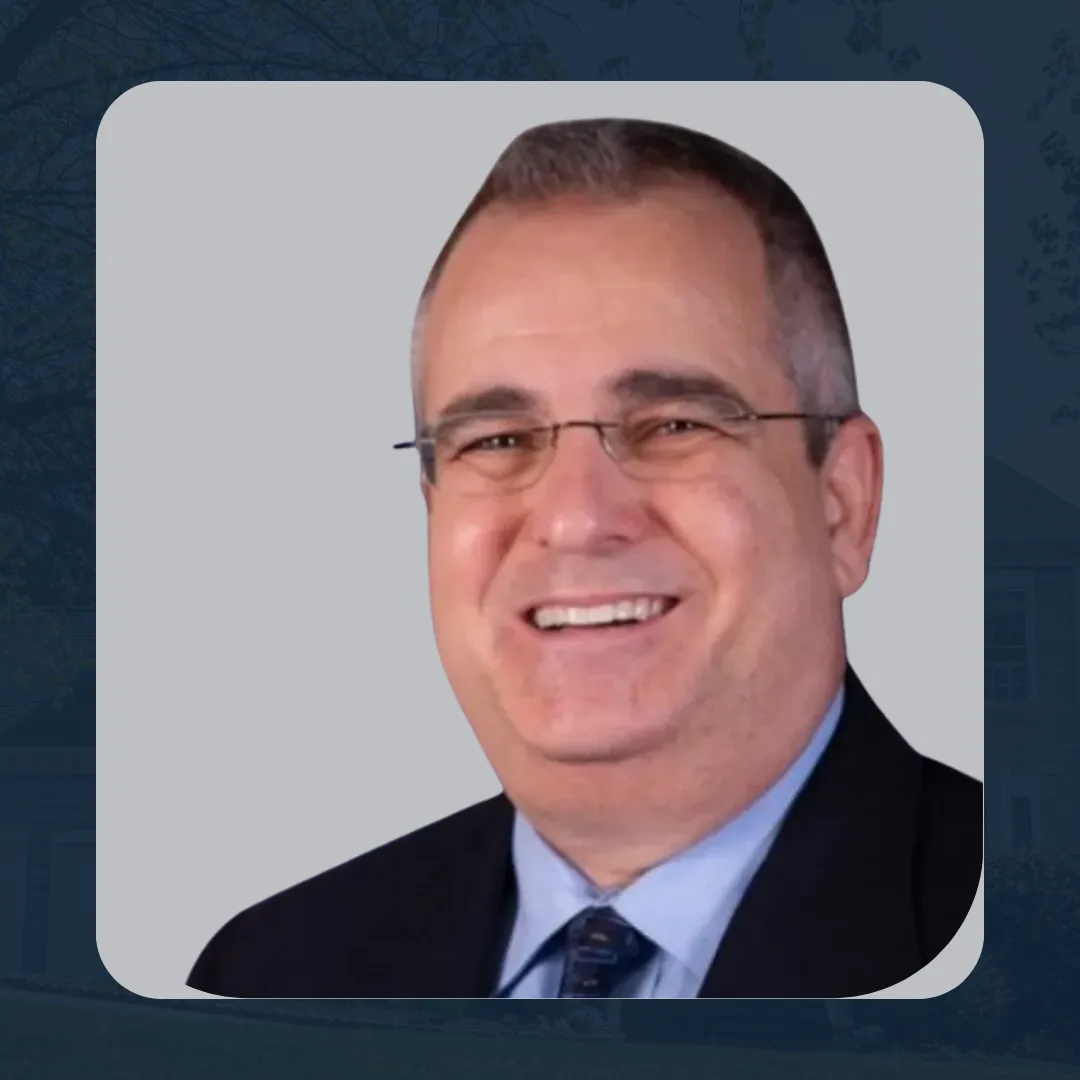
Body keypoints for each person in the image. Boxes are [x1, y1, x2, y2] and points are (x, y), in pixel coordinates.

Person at [187, 117, 982, 999]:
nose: (574, 517)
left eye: (673, 424)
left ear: (842, 503)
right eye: (497, 439)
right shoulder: (266, 976)